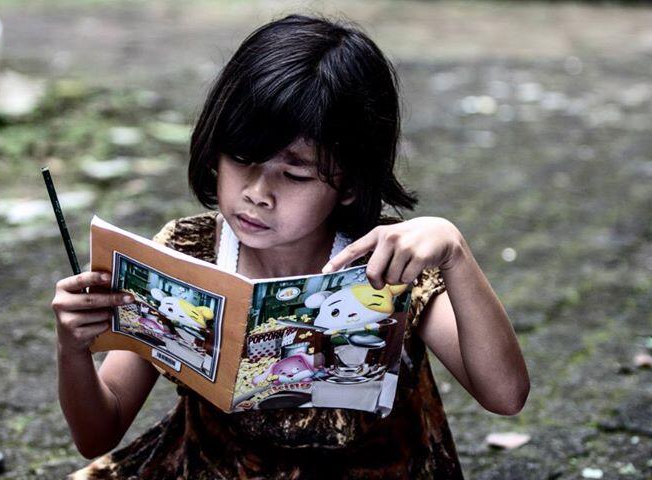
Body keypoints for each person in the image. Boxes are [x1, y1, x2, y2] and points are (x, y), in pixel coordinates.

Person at [53, 13, 530, 479]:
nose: (258, 192)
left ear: (347, 183)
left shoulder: (385, 262)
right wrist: (72, 348)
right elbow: (99, 431)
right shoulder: (187, 253)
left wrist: (455, 253)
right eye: (242, 158)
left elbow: (505, 395)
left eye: (295, 173)